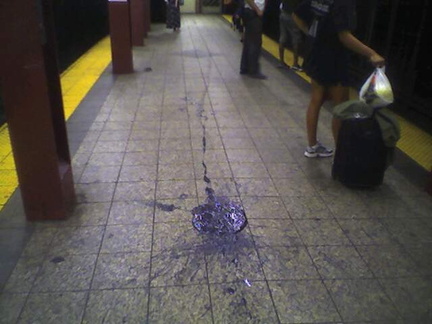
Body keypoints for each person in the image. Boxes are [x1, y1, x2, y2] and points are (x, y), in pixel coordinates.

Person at [292, 0, 385, 158]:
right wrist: (371, 54)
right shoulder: (344, 3)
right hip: (335, 58)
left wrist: (311, 34)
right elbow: (344, 36)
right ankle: (341, 155)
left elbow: (296, 15)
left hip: (315, 54)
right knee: (341, 108)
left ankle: (312, 146)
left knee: (316, 99)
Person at [240, 0, 267, 79]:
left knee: (248, 41)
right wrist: (258, 10)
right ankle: (253, 70)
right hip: (253, 13)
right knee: (255, 43)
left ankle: (245, 67)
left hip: (250, 12)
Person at [278, 0, 303, 71]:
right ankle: (295, 64)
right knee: (296, 38)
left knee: (282, 37)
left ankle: (281, 61)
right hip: (292, 16)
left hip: (283, 13)